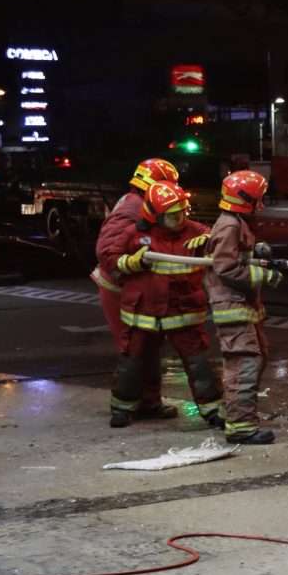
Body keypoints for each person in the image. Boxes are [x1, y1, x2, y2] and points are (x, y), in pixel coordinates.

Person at [107, 182, 224, 428]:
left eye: (182, 212)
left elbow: (221, 249)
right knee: (133, 360)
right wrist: (132, 262)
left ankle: (213, 409)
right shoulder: (134, 234)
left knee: (198, 362)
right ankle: (122, 407)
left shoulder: (197, 232)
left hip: (183, 310)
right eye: (172, 215)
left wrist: (209, 241)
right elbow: (111, 260)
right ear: (154, 215)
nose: (179, 219)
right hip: (144, 311)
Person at [90, 158, 180, 419]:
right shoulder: (132, 208)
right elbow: (107, 251)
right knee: (134, 349)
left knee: (149, 346)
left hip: (135, 290)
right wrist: (133, 264)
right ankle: (127, 407)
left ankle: (149, 402)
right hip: (121, 291)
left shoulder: (137, 203)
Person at [205, 170, 285, 445]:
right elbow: (226, 267)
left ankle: (234, 413)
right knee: (244, 364)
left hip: (243, 307)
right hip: (233, 307)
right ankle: (240, 427)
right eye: (258, 199)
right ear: (245, 199)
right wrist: (265, 276)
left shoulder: (236, 222)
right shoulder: (229, 225)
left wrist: (257, 250)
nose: (261, 204)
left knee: (256, 357)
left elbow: (236, 255)